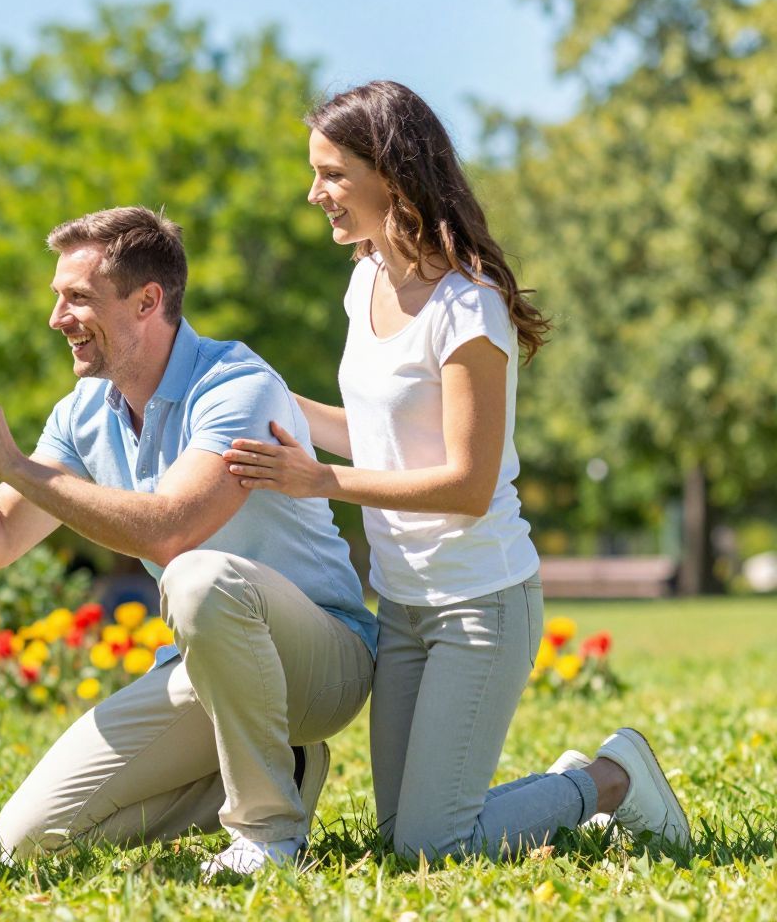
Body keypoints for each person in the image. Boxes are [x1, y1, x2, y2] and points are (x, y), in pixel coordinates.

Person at [221, 81, 689, 861]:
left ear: (391, 174)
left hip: (480, 602)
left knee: (431, 847)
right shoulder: (364, 280)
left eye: (333, 174)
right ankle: (571, 785)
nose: (316, 194)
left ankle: (610, 778)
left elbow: (468, 484)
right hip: (402, 604)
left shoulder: (467, 305)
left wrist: (321, 483)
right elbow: (374, 434)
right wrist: (253, 396)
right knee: (400, 838)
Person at [0, 206, 378, 879]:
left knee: (198, 577)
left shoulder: (238, 387)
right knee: (26, 840)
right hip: (206, 669)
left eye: (77, 297)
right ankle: (279, 769)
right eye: (58, 297)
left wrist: (18, 466)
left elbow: (172, 531)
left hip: (323, 662)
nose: (57, 318)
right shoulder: (82, 412)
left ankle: (270, 832)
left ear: (147, 301)